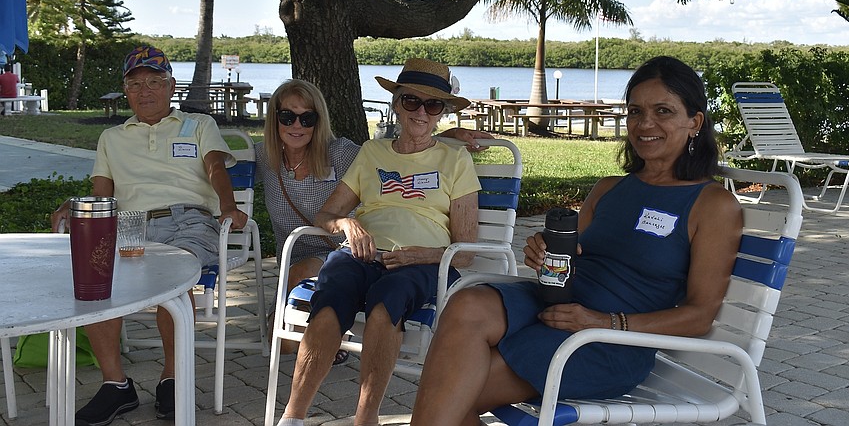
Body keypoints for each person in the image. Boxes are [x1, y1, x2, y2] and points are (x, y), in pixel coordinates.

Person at [409, 56, 744, 426]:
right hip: (561, 310)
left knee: (451, 395)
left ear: (694, 122)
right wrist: (544, 252)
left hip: (609, 342)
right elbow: (565, 261)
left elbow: (699, 317)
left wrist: (605, 322)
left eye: (663, 111)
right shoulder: (609, 188)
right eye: (635, 111)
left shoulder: (712, 204)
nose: (645, 123)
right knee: (467, 302)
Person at [277, 58, 482, 426]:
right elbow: (325, 216)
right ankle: (292, 417)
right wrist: (347, 225)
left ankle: (365, 418)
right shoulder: (372, 153)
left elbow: (465, 250)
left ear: (442, 113)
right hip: (362, 253)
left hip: (424, 264)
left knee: (386, 301)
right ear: (396, 103)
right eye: (411, 101)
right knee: (329, 300)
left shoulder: (455, 159)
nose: (420, 111)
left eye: (432, 104)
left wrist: (427, 255)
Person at [51, 45, 248, 426]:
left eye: (155, 82)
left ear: (171, 86)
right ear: (126, 91)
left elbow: (214, 168)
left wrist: (227, 205)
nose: (145, 91)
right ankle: (116, 386)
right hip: (128, 225)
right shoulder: (111, 137)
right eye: (136, 83)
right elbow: (102, 195)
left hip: (187, 220)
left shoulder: (198, 125)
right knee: (94, 285)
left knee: (174, 283)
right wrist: (76, 207)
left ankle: (173, 378)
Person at [257, 77, 491, 362]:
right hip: (315, 255)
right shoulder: (264, 158)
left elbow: (404, 153)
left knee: (359, 295)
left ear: (319, 120)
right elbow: (213, 165)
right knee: (280, 343)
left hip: (346, 249)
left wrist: (445, 136)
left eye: (308, 118)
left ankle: (334, 337)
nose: (297, 126)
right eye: (287, 117)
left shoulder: (340, 153)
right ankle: (329, 339)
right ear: (274, 119)